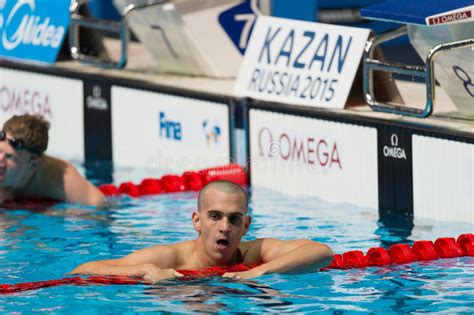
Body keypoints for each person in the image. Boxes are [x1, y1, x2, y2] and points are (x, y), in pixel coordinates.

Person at [71, 180, 334, 282]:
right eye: (215, 217)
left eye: (234, 219)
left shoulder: (256, 254)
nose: (224, 227)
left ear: (246, 226)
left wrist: (260, 271)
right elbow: (82, 270)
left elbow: (322, 253)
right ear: (197, 221)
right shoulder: (171, 258)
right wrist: (141, 270)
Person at [0, 114, 105, 206]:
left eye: (10, 157)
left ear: (33, 164)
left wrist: (57, 214)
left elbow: (99, 205)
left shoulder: (58, 177)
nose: (0, 160)